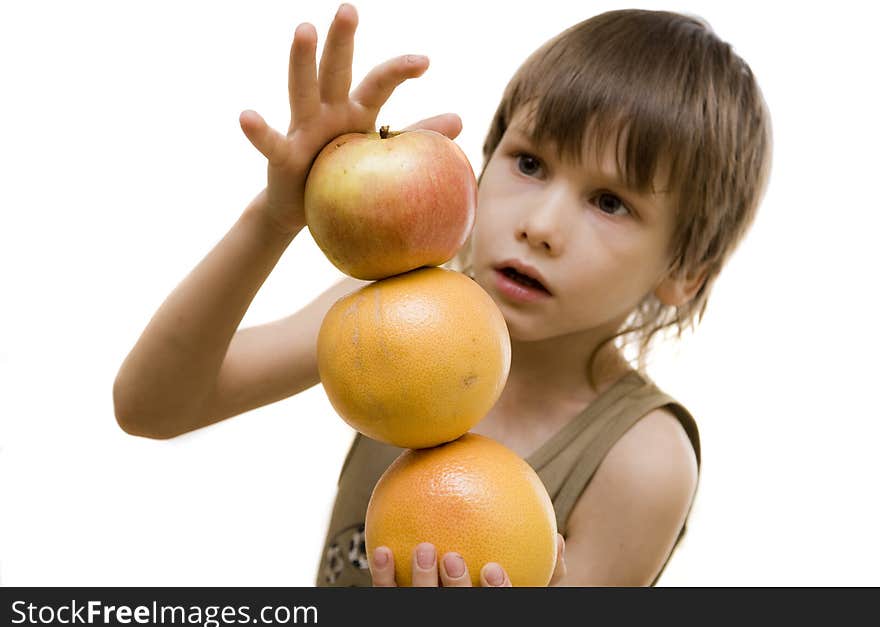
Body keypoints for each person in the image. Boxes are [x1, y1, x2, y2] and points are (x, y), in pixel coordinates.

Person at [113, 4, 771, 587]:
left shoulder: (642, 459)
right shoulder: (397, 312)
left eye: (610, 202)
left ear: (686, 269)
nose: (539, 226)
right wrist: (275, 219)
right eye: (529, 162)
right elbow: (154, 405)